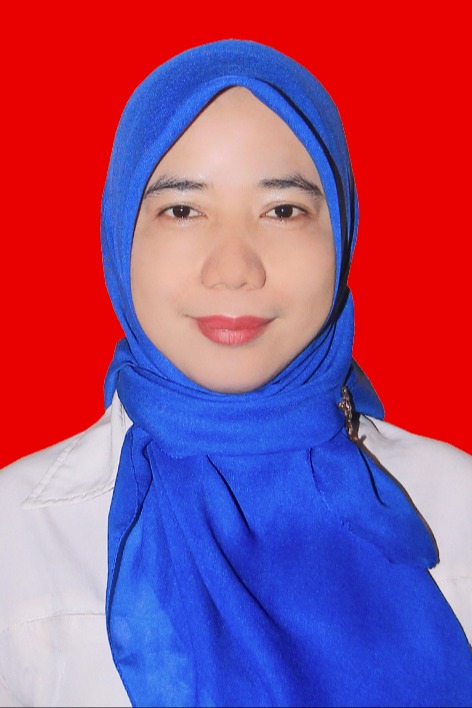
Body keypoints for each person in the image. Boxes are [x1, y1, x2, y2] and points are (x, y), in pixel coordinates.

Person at [0, 39, 471, 708]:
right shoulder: (17, 540)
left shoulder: (458, 508)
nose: (233, 269)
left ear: (340, 232)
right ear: (120, 234)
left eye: (283, 210)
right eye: (182, 210)